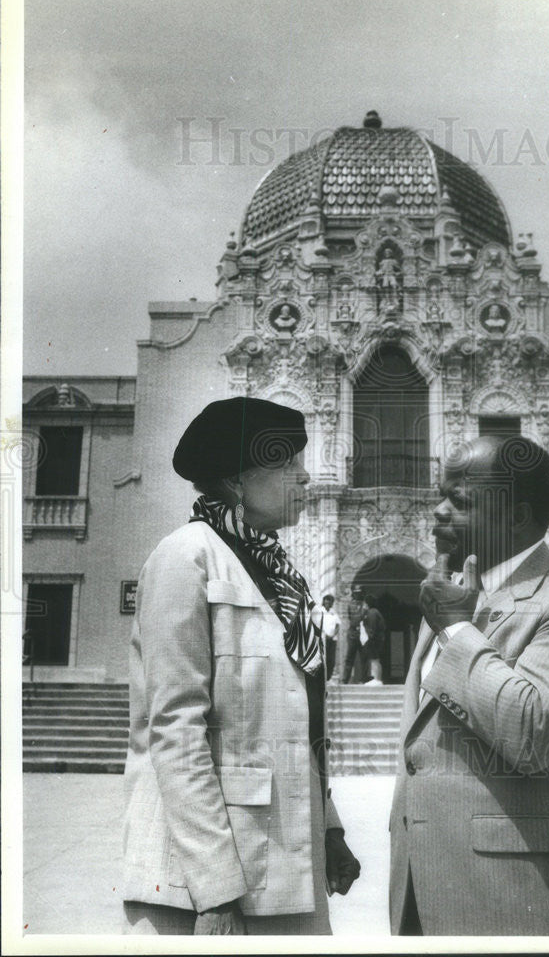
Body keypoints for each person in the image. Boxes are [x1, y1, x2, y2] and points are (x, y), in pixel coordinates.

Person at [122, 397, 360, 935]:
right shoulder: (184, 557)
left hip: (287, 860)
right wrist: (215, 890)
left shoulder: (282, 576)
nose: (306, 477)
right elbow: (176, 729)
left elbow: (298, 723)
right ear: (236, 479)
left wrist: (329, 827)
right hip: (204, 885)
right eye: (288, 463)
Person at [389, 435, 549, 936]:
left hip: (527, 903)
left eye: (459, 501)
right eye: (441, 495)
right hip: (425, 898)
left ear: (517, 517)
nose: (437, 511)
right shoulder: (452, 598)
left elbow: (532, 731)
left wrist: (456, 629)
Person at [359, 594, 386, 685]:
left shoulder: (372, 613)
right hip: (377, 639)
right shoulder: (375, 612)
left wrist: (370, 639)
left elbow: (372, 628)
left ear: (367, 604)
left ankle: (376, 678)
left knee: (374, 659)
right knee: (375, 659)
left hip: (374, 641)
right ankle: (377, 679)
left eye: (364, 604)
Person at [341, 589, 366, 684]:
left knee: (363, 657)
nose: (357, 595)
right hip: (352, 632)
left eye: (359, 593)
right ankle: (345, 679)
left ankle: (362, 679)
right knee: (349, 657)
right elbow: (350, 617)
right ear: (354, 594)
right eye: (356, 593)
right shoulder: (350, 605)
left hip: (362, 633)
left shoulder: (365, 605)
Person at [315, 594, 341, 681]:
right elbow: (317, 624)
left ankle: (328, 677)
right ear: (324, 601)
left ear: (331, 603)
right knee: (322, 658)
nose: (327, 603)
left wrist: (333, 634)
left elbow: (338, 625)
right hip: (322, 639)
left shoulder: (333, 613)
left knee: (331, 659)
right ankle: (321, 677)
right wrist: (324, 634)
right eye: (326, 601)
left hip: (332, 639)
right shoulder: (320, 611)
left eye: (329, 601)